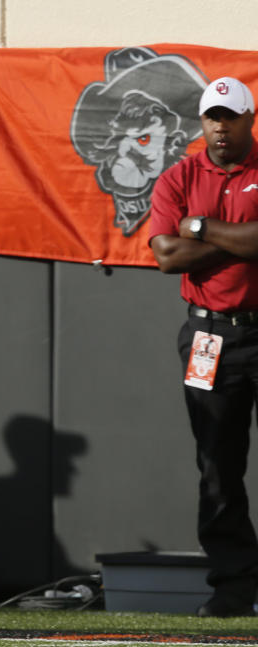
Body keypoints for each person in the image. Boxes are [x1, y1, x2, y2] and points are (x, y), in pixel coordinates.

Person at [148, 76, 258, 618]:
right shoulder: (179, 177)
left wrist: (200, 228)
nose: (220, 126)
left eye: (230, 116)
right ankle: (235, 587)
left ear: (249, 119)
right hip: (209, 333)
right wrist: (236, 238)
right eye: (212, 116)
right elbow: (167, 256)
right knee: (217, 463)